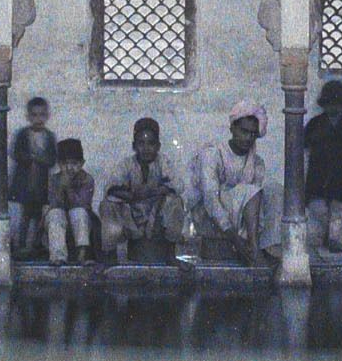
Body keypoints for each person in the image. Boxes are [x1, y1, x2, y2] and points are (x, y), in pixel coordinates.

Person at [189, 103, 268, 265]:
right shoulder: (213, 154)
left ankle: (261, 249)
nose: (248, 138)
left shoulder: (257, 163)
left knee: (274, 192)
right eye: (244, 131)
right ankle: (253, 248)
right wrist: (235, 239)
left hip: (240, 221)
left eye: (253, 134)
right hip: (210, 217)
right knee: (250, 191)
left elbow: (255, 204)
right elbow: (211, 199)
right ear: (232, 128)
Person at [99, 117, 187, 262]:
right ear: (134, 146)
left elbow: (178, 185)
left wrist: (152, 193)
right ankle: (110, 256)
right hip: (132, 217)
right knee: (107, 205)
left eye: (151, 143)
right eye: (141, 143)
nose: (146, 148)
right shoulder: (126, 164)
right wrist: (132, 196)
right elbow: (110, 188)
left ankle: (171, 255)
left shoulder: (163, 162)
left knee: (175, 201)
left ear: (158, 146)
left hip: (155, 217)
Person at [304, 78, 342, 254]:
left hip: (339, 171)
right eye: (330, 103)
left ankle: (334, 239)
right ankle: (328, 233)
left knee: (339, 207)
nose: (334, 108)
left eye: (337, 104)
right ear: (324, 104)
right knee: (317, 206)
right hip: (318, 170)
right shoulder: (315, 123)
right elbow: (304, 143)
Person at [9, 96, 56, 259]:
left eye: (42, 115)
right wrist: (32, 157)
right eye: (34, 115)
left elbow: (52, 159)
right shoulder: (22, 134)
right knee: (24, 216)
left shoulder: (49, 137)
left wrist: (39, 158)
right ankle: (20, 245)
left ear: (47, 116)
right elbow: (16, 154)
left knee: (39, 217)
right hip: (24, 184)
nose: (38, 119)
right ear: (28, 116)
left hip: (41, 184)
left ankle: (37, 245)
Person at [45, 137, 96, 266]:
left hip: (81, 219)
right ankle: (58, 256)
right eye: (64, 164)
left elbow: (82, 204)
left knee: (78, 212)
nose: (69, 168)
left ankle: (82, 253)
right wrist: (61, 187)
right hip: (61, 217)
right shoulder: (54, 180)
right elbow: (54, 204)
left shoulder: (87, 179)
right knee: (55, 214)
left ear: (82, 163)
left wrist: (68, 187)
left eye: (74, 163)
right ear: (59, 164)